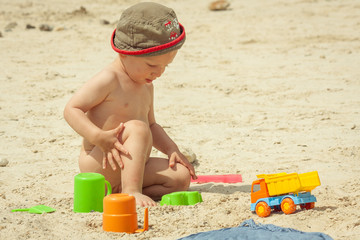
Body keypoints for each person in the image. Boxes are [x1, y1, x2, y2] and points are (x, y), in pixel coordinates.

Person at [64, 2, 197, 207]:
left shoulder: (146, 85)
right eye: (152, 65)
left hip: (133, 165)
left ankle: (123, 190)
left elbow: (152, 125)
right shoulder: (109, 79)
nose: (159, 72)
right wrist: (97, 137)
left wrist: (171, 148)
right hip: (101, 160)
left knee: (180, 178)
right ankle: (131, 192)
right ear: (125, 53)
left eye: (165, 66)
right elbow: (71, 109)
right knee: (137, 127)